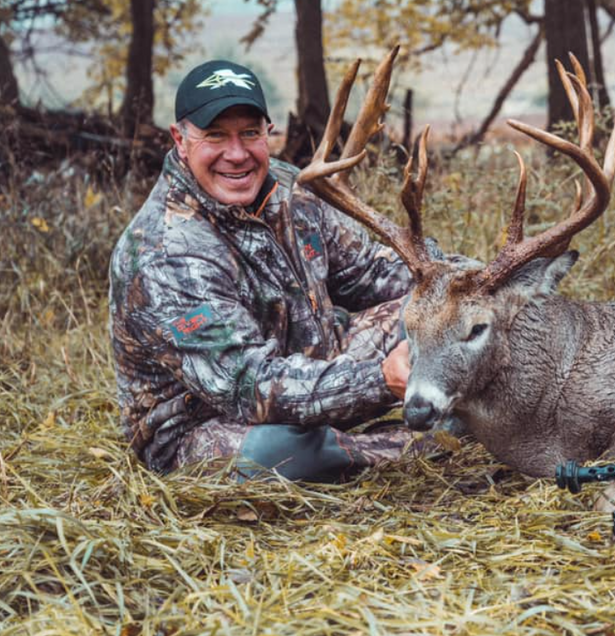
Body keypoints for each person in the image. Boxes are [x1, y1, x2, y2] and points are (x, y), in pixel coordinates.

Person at [109, 59, 421, 482]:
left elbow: (369, 271)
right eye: (215, 135)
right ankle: (420, 445)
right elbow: (248, 386)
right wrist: (380, 380)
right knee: (281, 451)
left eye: (249, 133)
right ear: (180, 140)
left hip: (313, 362)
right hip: (207, 426)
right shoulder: (166, 254)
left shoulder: (290, 189)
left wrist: (471, 283)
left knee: (436, 318)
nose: (236, 155)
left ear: (268, 132)